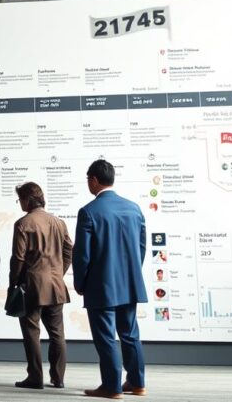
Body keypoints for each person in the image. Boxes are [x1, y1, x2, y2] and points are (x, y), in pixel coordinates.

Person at [73, 160, 148, 399]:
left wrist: (80, 283)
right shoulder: (134, 208)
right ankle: (137, 384)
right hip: (130, 283)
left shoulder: (89, 211)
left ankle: (112, 387)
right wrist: (131, 273)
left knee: (106, 337)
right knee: (130, 334)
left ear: (94, 180)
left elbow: (82, 254)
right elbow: (141, 247)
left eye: (88, 179)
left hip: (101, 286)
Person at [10, 182, 73, 389]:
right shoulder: (59, 222)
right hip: (56, 285)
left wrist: (13, 284)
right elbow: (68, 251)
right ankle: (58, 378)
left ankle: (35, 377)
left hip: (32, 286)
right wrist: (58, 272)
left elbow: (18, 259)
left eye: (20, 199)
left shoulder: (23, 223)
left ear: (27, 199)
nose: (19, 203)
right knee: (57, 333)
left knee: (31, 332)